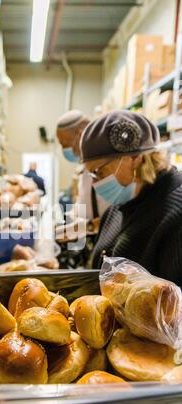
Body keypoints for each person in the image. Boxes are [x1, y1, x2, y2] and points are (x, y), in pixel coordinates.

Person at [81, 109, 182, 284]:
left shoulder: (175, 212)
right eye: (92, 175)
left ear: (134, 157)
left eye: (99, 171)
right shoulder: (117, 207)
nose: (96, 183)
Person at [56, 109, 109, 221]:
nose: (64, 150)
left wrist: (88, 227)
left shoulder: (107, 166)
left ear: (80, 135)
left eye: (65, 144)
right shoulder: (85, 166)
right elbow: (85, 201)